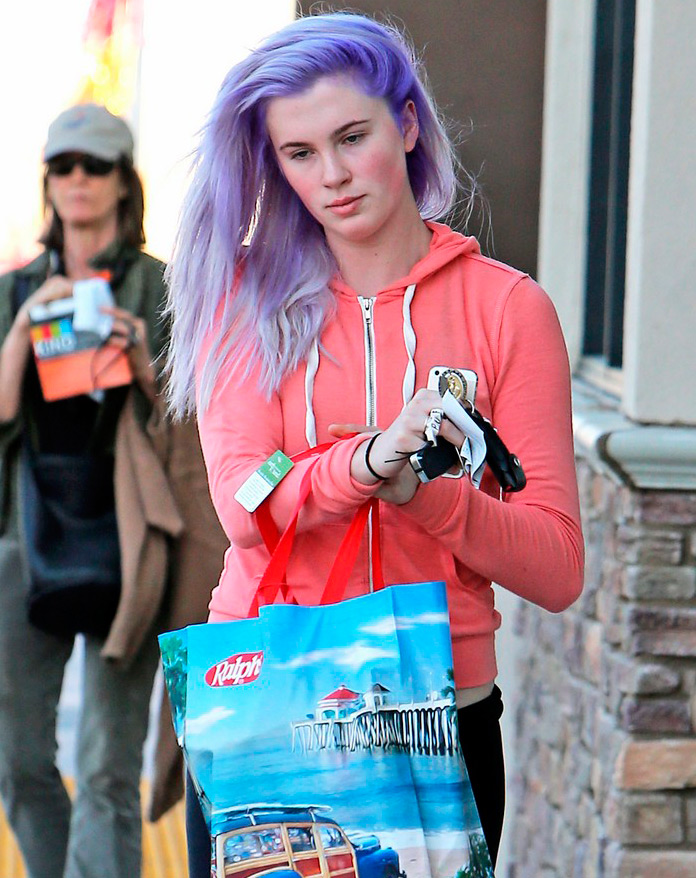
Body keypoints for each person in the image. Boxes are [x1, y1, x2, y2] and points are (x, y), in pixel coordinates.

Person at [165, 12, 585, 872]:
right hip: (265, 710)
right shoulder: (240, 301)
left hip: (440, 719)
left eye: (352, 137)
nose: (332, 176)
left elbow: (556, 568)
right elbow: (247, 502)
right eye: (299, 153)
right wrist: (364, 461)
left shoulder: (509, 310)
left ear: (407, 124)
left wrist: (425, 494)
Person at [0, 103, 226, 878]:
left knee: (104, 763)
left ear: (123, 182)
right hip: (25, 529)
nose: (77, 181)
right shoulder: (18, 288)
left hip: (131, 535)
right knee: (17, 756)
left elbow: (196, 424)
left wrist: (143, 369)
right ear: (48, 182)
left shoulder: (161, 288)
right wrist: (24, 329)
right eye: (62, 167)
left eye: (94, 166)